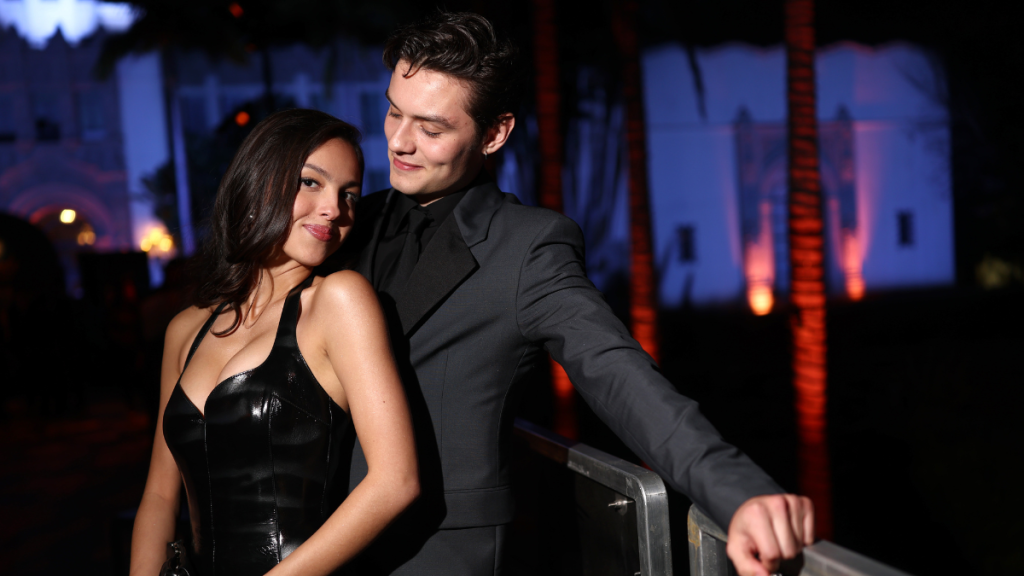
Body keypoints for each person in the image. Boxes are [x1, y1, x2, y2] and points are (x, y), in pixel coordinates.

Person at [333, 12, 813, 576]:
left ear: (494, 134)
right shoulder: (345, 222)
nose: (399, 142)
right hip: (317, 534)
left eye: (431, 129)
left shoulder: (528, 247)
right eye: (393, 111)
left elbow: (618, 374)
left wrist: (741, 492)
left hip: (433, 549)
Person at [129, 109, 419, 576]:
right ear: (259, 181)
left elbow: (395, 481)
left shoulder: (339, 302)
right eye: (311, 182)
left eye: (349, 194)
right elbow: (160, 497)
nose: (334, 209)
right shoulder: (185, 329)